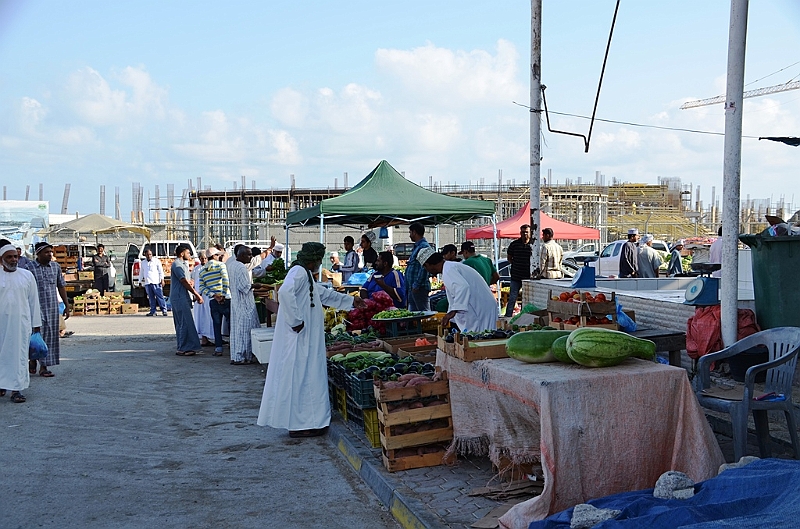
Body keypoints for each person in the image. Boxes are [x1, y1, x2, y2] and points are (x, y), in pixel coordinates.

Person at [257, 242, 366, 438]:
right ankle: (299, 425)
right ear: (313, 259)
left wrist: (350, 301)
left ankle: (309, 421)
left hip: (306, 337)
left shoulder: (305, 274)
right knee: (300, 377)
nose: (319, 263)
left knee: (307, 376)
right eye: (318, 259)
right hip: (299, 337)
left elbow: (320, 294)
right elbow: (284, 292)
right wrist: (295, 321)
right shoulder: (298, 272)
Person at [0, 241, 42, 403]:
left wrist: (36, 325)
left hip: (20, 325)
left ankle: (16, 390)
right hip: (1, 325)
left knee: (18, 356)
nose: (13, 260)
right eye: (9, 257)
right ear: (1, 259)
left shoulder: (26, 275)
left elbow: (34, 302)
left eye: (15, 257)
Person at [419, 248, 497, 332]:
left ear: (428, 265)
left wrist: (453, 311)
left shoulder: (449, 270)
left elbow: (462, 287)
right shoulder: (450, 267)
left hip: (480, 310)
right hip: (481, 307)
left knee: (482, 338)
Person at [25, 242, 69, 378]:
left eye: (51, 252)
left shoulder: (55, 267)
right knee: (35, 336)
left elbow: (61, 286)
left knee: (50, 337)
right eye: (46, 252)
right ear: (38, 254)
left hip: (51, 307)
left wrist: (67, 305)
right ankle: (32, 360)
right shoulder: (29, 267)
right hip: (34, 308)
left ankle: (44, 367)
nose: (50, 254)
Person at [227, 246, 261, 365]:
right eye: (249, 254)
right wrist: (254, 285)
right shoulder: (241, 267)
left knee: (237, 330)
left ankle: (237, 355)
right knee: (245, 330)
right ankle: (243, 356)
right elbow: (244, 287)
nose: (251, 257)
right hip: (244, 303)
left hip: (236, 301)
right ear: (241, 255)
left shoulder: (232, 265)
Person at [170, 244, 204, 356]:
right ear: (182, 253)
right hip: (179, 297)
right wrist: (196, 294)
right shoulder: (177, 265)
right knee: (183, 322)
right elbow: (183, 281)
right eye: (188, 253)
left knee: (185, 322)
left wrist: (192, 284)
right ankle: (183, 347)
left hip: (183, 296)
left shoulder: (183, 265)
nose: (190, 255)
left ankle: (187, 346)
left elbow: (187, 280)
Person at [199, 247, 230, 356]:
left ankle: (218, 349)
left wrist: (214, 295)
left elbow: (202, 288)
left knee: (216, 325)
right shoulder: (221, 265)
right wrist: (223, 294)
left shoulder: (202, 270)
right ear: (214, 256)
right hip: (225, 299)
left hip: (213, 300)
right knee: (230, 323)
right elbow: (226, 280)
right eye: (218, 255)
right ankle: (233, 345)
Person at [504, 224, 532, 317]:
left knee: (526, 298)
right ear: (520, 233)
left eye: (526, 232)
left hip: (528, 277)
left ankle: (523, 316)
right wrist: (515, 264)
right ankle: (508, 316)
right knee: (512, 297)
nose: (525, 234)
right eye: (523, 232)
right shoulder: (514, 244)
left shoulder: (533, 244)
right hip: (516, 276)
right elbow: (509, 257)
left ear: (530, 233)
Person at [406, 222, 431, 311]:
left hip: (419, 288)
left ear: (414, 232)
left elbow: (424, 268)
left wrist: (417, 284)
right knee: (413, 313)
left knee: (424, 314)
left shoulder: (423, 247)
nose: (410, 235)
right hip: (413, 287)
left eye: (410, 232)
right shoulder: (417, 246)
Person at [191, 252, 215, 345]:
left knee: (209, 317)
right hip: (199, 296)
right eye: (202, 258)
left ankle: (212, 337)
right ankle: (203, 339)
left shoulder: (210, 268)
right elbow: (193, 281)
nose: (203, 260)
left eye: (205, 258)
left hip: (208, 295)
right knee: (200, 318)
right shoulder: (196, 269)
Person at [139, 248, 167, 316]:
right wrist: (140, 281)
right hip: (148, 283)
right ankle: (153, 311)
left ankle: (164, 310)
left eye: (150, 254)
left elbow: (160, 271)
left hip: (156, 282)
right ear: (145, 255)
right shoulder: (143, 263)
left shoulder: (156, 261)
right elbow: (141, 273)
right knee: (151, 298)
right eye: (147, 254)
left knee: (160, 297)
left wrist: (162, 280)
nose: (149, 256)